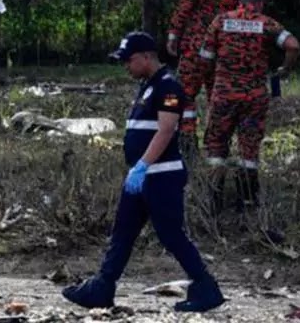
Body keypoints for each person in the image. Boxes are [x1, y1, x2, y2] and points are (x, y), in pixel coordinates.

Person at [62, 32, 225, 313]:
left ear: (147, 56)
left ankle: (205, 286)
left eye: (129, 59)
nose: (126, 65)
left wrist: (143, 165)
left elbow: (166, 129)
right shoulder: (148, 85)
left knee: (171, 234)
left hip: (161, 175)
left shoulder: (169, 86)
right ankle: (103, 286)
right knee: (122, 232)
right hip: (141, 176)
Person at [198, 0, 300, 213]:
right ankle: (248, 202)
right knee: (249, 146)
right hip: (254, 97)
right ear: (261, 3)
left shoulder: (221, 21)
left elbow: (204, 59)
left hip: (224, 94)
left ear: (240, 1)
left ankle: (214, 203)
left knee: (216, 143)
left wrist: (214, 81)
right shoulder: (267, 23)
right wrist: (284, 69)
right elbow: (293, 45)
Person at [166, 0, 241, 137]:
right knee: (217, 96)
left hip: (195, 45)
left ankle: (186, 138)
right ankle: (217, 144)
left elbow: (185, 6)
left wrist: (173, 35)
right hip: (219, 49)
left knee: (184, 93)